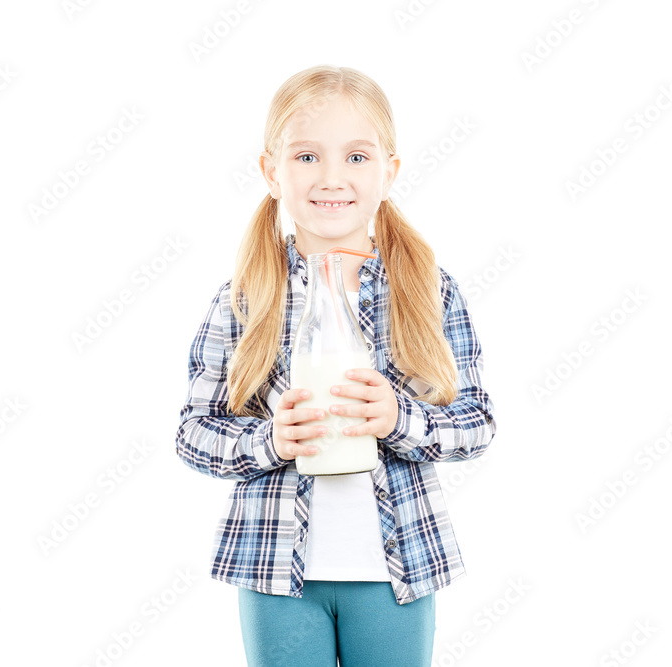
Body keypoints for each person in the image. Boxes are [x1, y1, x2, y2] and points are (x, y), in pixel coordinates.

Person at [176, 64, 496, 666]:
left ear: (388, 172)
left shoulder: (427, 290)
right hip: (275, 572)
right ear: (271, 171)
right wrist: (271, 440)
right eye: (305, 157)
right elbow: (194, 432)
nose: (331, 178)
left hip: (395, 571)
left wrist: (400, 419)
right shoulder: (245, 297)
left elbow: (476, 422)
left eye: (355, 157)